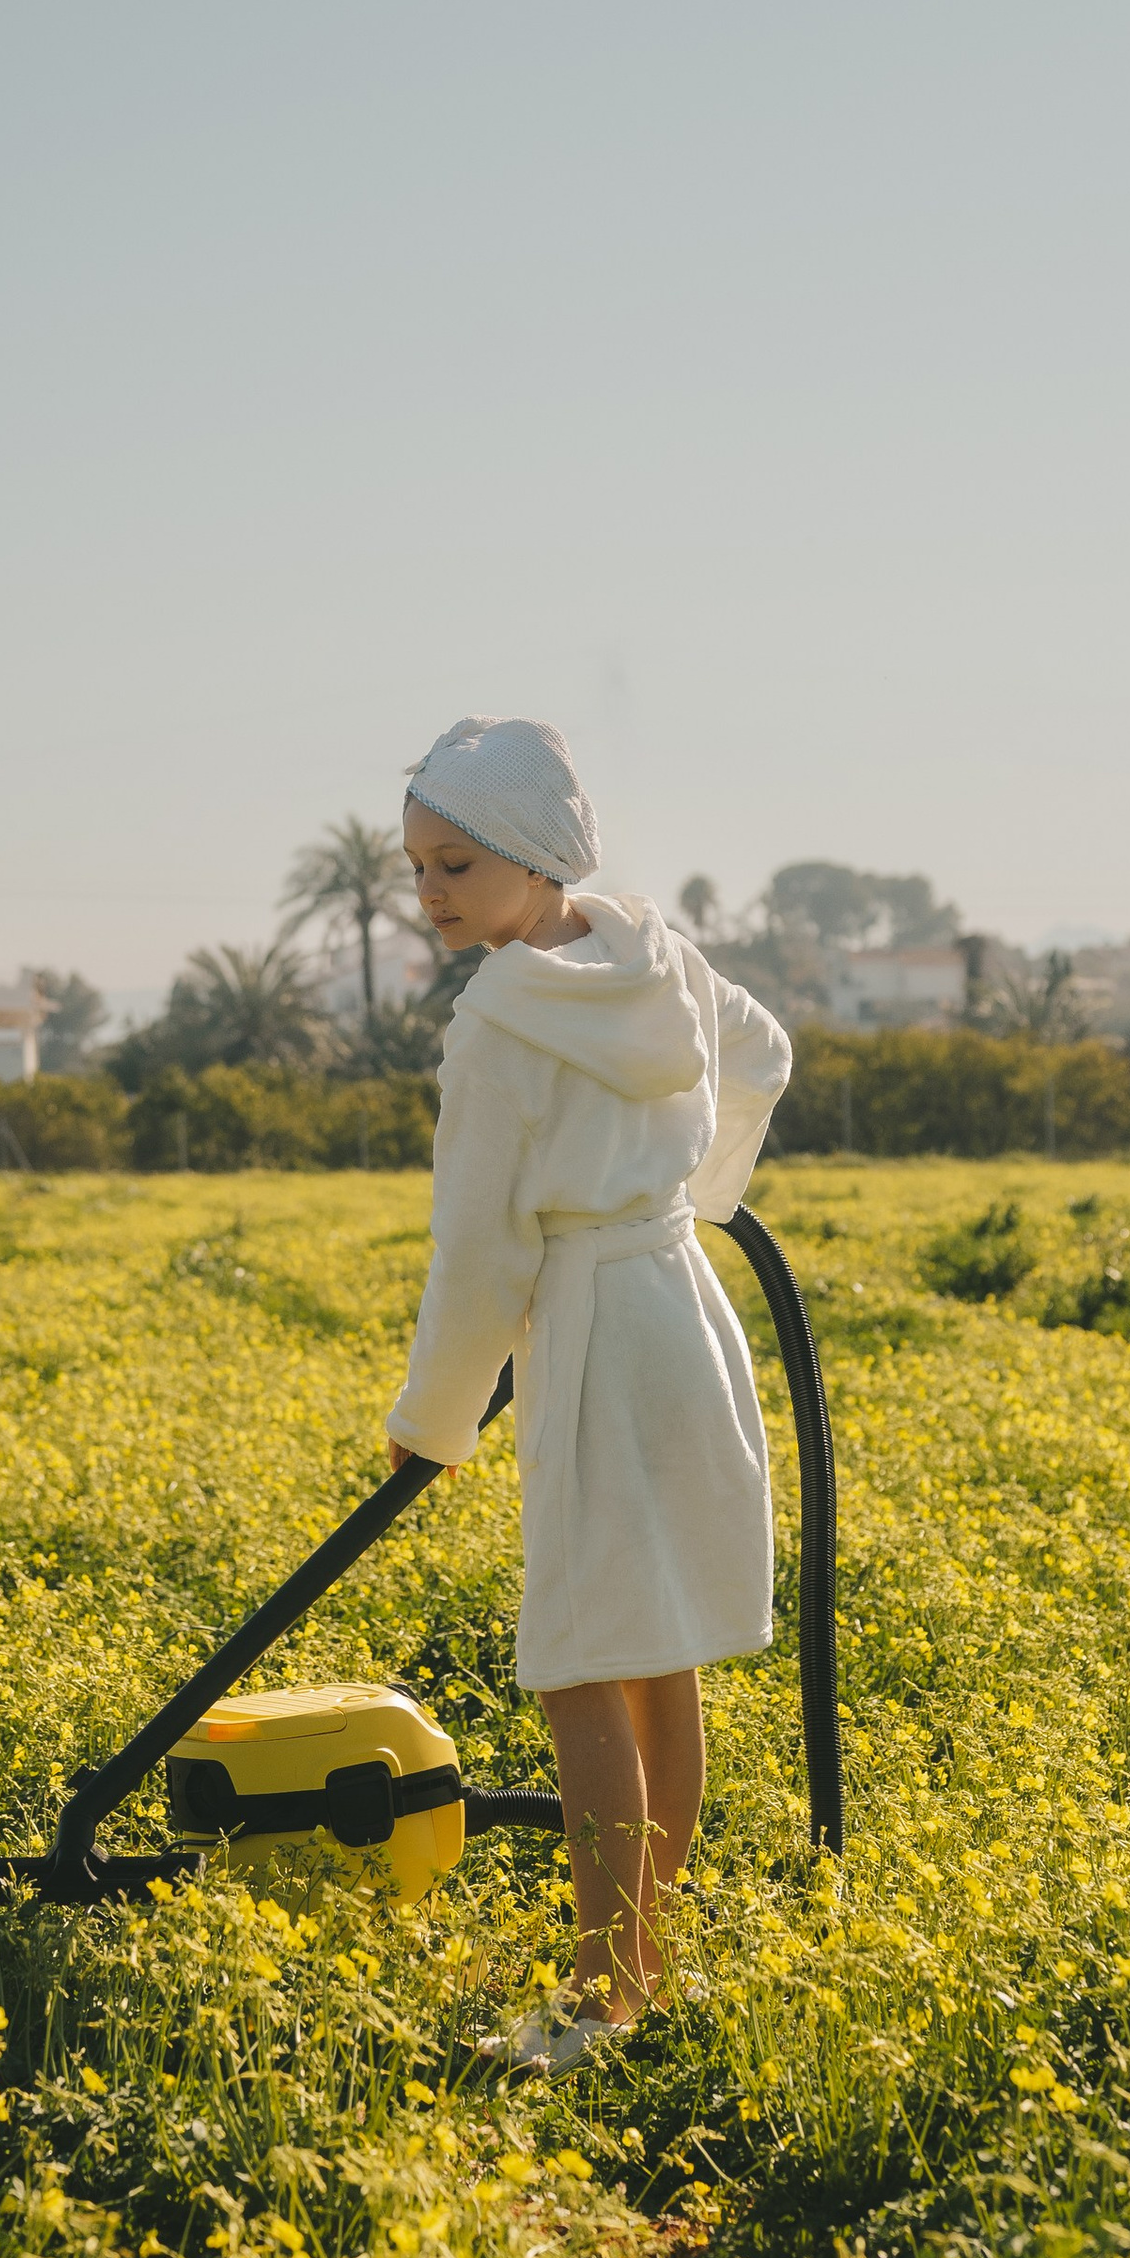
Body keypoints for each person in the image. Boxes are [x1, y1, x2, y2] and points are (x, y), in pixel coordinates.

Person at [385, 716, 791, 2075]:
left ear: (531, 859)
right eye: (420, 866)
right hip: (682, 1306)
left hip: (597, 1335)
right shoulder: (647, 950)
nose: (430, 891)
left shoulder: (498, 1023)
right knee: (654, 1647)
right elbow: (766, 1054)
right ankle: (648, 1966)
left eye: (454, 865)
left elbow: (481, 1252)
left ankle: (601, 2000)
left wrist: (430, 1426)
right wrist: (692, 1197)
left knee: (574, 1665)